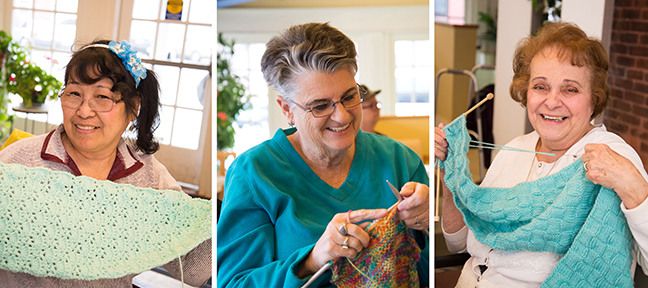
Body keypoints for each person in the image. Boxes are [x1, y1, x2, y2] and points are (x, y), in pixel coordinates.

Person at [435, 21, 648, 287]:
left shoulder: (610, 155)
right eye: (540, 86)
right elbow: (457, 243)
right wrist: (448, 173)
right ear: (526, 92)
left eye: (570, 89)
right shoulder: (514, 149)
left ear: (593, 98)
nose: (552, 101)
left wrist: (635, 187)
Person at [217, 22, 430, 287]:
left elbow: (427, 272)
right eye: (319, 106)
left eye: (350, 96)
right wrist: (313, 260)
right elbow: (233, 283)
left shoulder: (400, 160)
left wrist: (426, 226)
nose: (342, 116)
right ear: (286, 109)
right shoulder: (254, 174)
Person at [0, 40, 211, 287]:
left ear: (133, 108)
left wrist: (221, 219)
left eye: (102, 97)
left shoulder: (150, 178)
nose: (84, 111)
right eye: (74, 94)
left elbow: (191, 268)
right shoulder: (18, 162)